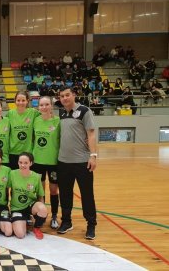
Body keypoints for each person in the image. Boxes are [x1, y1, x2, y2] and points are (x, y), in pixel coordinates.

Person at [57, 86, 97, 240]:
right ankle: (66, 222)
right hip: (63, 162)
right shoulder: (60, 113)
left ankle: (91, 224)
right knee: (65, 194)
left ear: (74, 95)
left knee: (87, 195)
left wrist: (93, 155)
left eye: (67, 95)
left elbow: (91, 134)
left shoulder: (85, 111)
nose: (65, 98)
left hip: (82, 162)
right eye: (62, 96)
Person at [32, 97, 61, 229]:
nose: (44, 107)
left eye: (47, 104)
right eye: (41, 105)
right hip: (38, 161)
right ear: (38, 107)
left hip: (53, 161)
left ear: (51, 106)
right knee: (40, 191)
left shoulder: (57, 121)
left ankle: (54, 216)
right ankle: (41, 215)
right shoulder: (35, 120)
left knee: (54, 190)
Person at [9, 153, 47, 239]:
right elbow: (7, 190)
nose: (23, 165)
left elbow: (40, 196)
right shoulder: (12, 174)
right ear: (18, 163)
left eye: (26, 163)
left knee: (43, 209)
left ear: (31, 163)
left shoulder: (36, 177)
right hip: (17, 208)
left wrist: (41, 214)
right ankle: (24, 219)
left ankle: (36, 228)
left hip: (30, 206)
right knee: (20, 234)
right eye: (20, 162)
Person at [6, 91, 39, 169]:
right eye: (18, 100)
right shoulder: (10, 114)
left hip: (28, 152)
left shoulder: (33, 112)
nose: (20, 103)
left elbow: (45, 117)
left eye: (23, 100)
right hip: (13, 152)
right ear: (15, 101)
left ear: (27, 101)